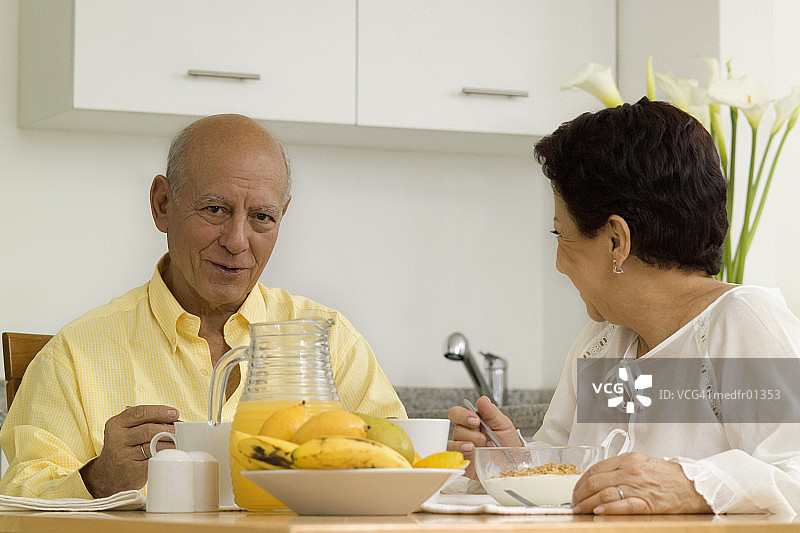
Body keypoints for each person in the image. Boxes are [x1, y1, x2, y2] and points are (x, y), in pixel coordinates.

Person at [0, 114, 406, 499]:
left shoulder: (329, 341)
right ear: (162, 204)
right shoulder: (76, 354)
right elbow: (20, 499)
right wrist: (100, 477)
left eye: (262, 217)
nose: (236, 241)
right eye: (215, 210)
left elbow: (403, 466)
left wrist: (465, 459)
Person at [448, 99, 800, 515]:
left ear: (617, 240)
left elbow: (793, 471)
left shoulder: (741, 322)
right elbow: (570, 476)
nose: (559, 263)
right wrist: (514, 463)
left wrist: (692, 487)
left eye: (561, 234)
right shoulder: (600, 345)